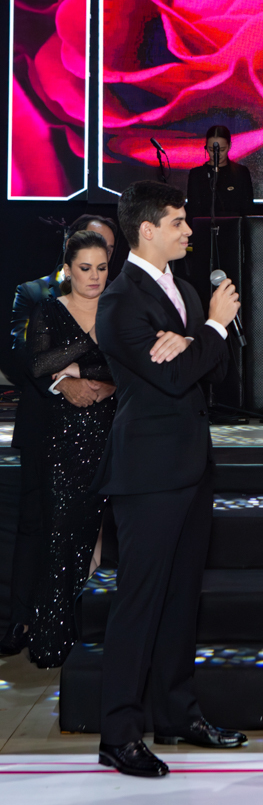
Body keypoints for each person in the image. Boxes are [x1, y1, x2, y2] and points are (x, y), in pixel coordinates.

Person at [93, 181, 246, 778]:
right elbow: (178, 377)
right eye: (178, 222)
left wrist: (198, 338)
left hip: (191, 465)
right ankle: (118, 734)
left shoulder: (183, 289)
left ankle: (178, 714)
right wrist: (210, 331)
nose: (188, 231)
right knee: (140, 603)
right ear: (147, 229)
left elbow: (217, 371)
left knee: (182, 601)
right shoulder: (119, 301)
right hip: (148, 474)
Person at [1, 213, 118, 657]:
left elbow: (126, 364)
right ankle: (25, 622)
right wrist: (64, 380)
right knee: (42, 527)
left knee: (96, 530)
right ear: (69, 260)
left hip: (108, 429)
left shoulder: (119, 304)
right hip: (48, 431)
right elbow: (28, 362)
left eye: (105, 260)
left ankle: (88, 627)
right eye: (86, 264)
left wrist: (86, 374)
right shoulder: (37, 296)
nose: (96, 273)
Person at [186, 125, 254, 223]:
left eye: (221, 150)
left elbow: (248, 210)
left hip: (235, 229)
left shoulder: (241, 172)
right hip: (205, 229)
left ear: (229, 146)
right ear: (206, 147)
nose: (216, 154)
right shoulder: (197, 174)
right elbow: (193, 212)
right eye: (211, 149)